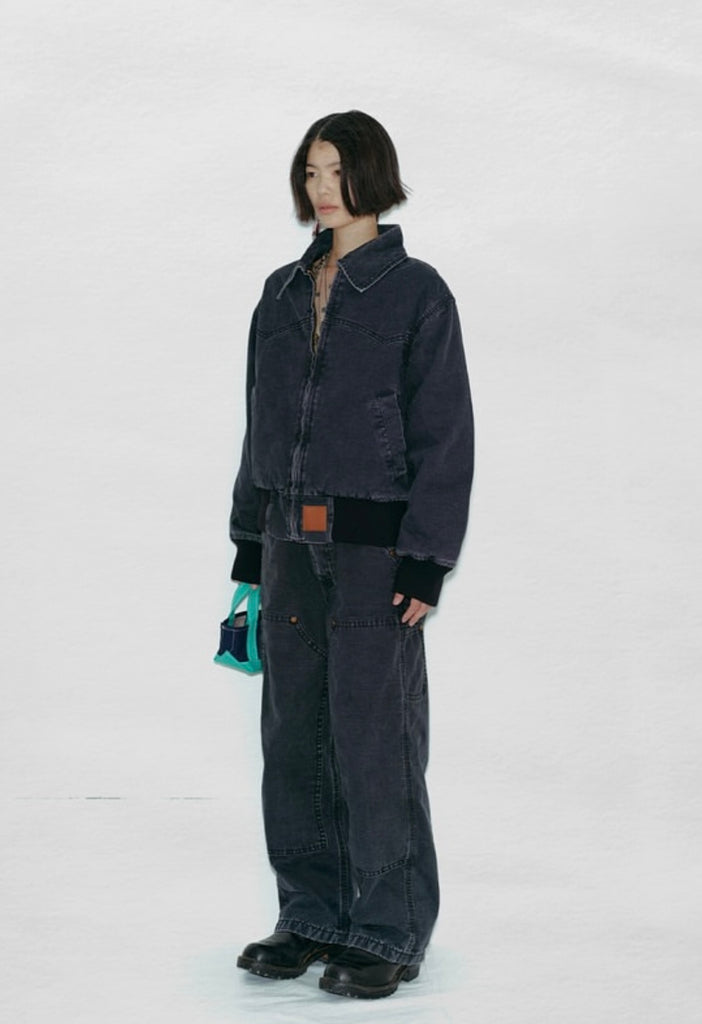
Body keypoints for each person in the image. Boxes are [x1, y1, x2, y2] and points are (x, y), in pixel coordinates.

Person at [228, 110, 474, 1000]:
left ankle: (389, 929)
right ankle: (311, 916)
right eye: (311, 171)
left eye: (336, 170)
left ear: (373, 174)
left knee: (375, 741)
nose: (322, 188)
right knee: (294, 741)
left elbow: (445, 432)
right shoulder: (280, 293)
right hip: (288, 548)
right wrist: (249, 549)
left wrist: (426, 559)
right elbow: (258, 423)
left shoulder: (417, 293)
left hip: (375, 554)